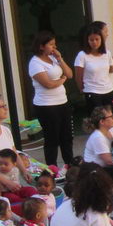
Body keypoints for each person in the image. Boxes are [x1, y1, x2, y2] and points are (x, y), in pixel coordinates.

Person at [27, 30, 75, 169]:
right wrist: (62, 80)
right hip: (46, 106)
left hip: (62, 102)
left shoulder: (54, 58)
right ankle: (52, 168)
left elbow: (69, 74)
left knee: (66, 137)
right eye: (51, 44)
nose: (54, 47)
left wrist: (60, 59)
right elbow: (47, 84)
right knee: (52, 139)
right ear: (41, 46)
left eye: (55, 44)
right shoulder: (35, 63)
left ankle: (70, 165)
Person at [74, 23, 113, 127]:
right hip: (93, 92)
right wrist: (81, 88)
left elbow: (110, 69)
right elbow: (78, 76)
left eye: (97, 39)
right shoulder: (82, 55)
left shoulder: (107, 53)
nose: (94, 42)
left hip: (109, 90)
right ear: (87, 41)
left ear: (101, 40)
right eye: (91, 40)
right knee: (98, 121)